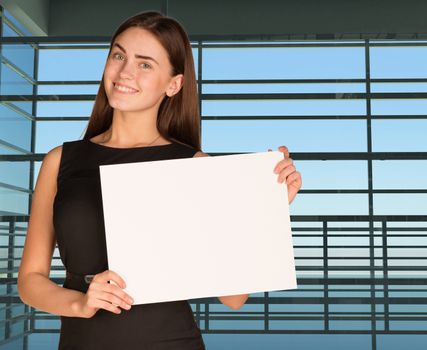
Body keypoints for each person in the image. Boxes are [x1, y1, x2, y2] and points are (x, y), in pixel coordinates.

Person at [17, 10, 302, 350]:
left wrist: (267, 209)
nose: (125, 72)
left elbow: (233, 297)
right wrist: (80, 304)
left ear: (174, 84)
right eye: (119, 56)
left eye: (145, 64)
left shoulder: (195, 166)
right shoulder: (60, 161)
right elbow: (30, 280)